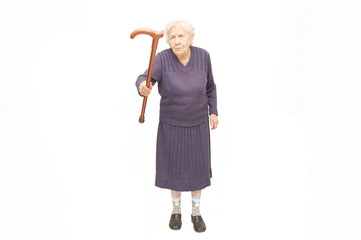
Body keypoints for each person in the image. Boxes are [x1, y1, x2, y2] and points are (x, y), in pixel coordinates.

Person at [135, 20, 219, 233]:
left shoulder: (203, 57)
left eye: (181, 36)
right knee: (174, 169)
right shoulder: (162, 59)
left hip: (198, 123)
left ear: (191, 38)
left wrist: (213, 111)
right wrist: (143, 86)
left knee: (197, 169)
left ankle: (196, 212)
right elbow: (144, 77)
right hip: (171, 124)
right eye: (172, 37)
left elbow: (211, 87)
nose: (177, 41)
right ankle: (176, 211)